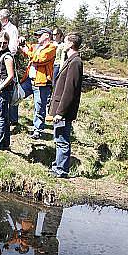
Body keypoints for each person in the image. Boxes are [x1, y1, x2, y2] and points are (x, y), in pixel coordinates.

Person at [48, 32, 83, 178]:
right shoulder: (71, 60)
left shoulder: (75, 62)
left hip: (64, 110)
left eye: (65, 41)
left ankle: (61, 170)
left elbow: (70, 90)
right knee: (59, 138)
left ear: (70, 44)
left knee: (62, 140)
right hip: (60, 107)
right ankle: (57, 166)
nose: (62, 44)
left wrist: (60, 112)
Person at [19, 27, 56, 139]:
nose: (37, 37)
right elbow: (29, 48)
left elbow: (39, 58)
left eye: (40, 35)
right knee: (16, 96)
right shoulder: (37, 46)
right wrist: (22, 42)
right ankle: (12, 120)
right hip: (29, 80)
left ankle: (37, 131)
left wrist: (27, 51)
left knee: (39, 107)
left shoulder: (52, 48)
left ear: (47, 36)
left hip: (42, 83)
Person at [0, 9, 19, 125]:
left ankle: (13, 118)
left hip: (8, 59)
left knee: (11, 89)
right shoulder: (3, 29)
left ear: (4, 18)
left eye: (0, 18)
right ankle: (7, 116)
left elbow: (13, 47)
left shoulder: (12, 29)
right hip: (2, 58)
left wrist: (7, 55)